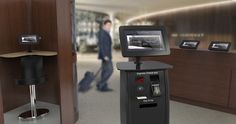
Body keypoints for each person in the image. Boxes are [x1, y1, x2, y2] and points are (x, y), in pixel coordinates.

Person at [97, 19, 113, 92]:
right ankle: (101, 84)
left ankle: (103, 86)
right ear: (104, 25)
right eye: (108, 25)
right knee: (110, 70)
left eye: (110, 25)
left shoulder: (106, 32)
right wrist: (104, 56)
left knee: (104, 70)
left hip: (107, 55)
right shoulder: (102, 33)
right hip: (105, 56)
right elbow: (101, 45)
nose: (109, 27)